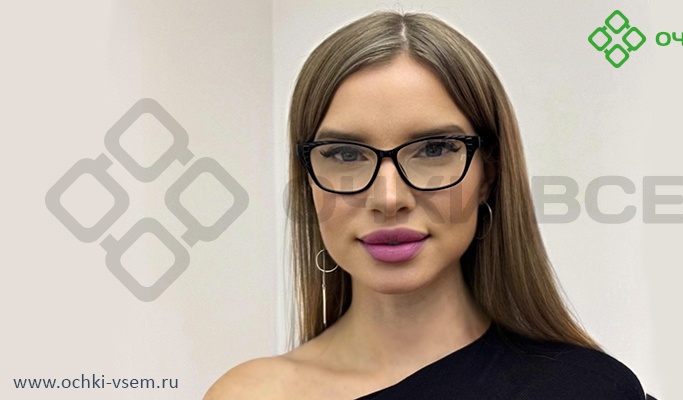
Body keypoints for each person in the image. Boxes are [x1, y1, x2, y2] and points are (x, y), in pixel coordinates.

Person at [205, 10, 655, 400]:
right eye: (344, 154)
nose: (389, 199)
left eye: (434, 149)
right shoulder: (247, 393)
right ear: (307, 179)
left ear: (488, 174)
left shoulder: (588, 389)